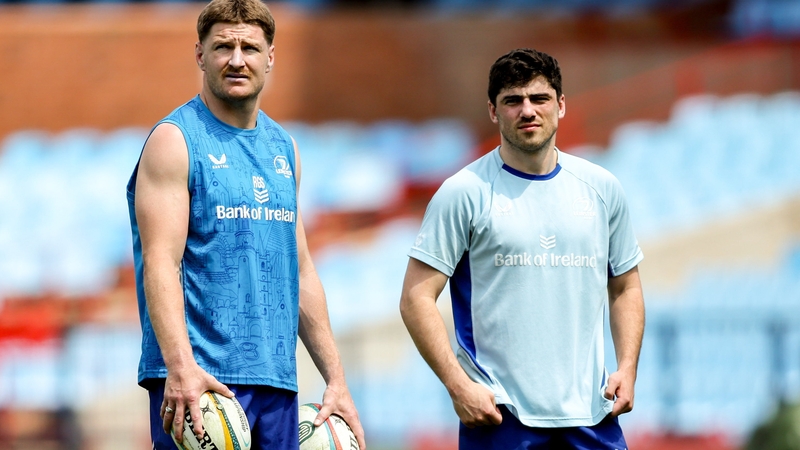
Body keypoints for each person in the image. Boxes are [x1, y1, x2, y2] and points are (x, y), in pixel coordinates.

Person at [125, 0, 365, 448]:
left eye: (250, 48)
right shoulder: (174, 141)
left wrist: (336, 378)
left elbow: (301, 270)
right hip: (199, 385)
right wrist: (180, 367)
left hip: (277, 379)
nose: (237, 60)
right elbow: (159, 264)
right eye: (223, 47)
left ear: (270, 57)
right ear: (200, 55)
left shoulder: (284, 148)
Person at [399, 48, 645, 450]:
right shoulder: (463, 192)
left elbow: (625, 288)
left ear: (561, 105)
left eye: (539, 98)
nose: (527, 110)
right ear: (494, 112)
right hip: (501, 417)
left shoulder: (602, 189)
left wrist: (628, 367)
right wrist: (457, 385)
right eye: (513, 101)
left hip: (593, 416)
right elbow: (415, 298)